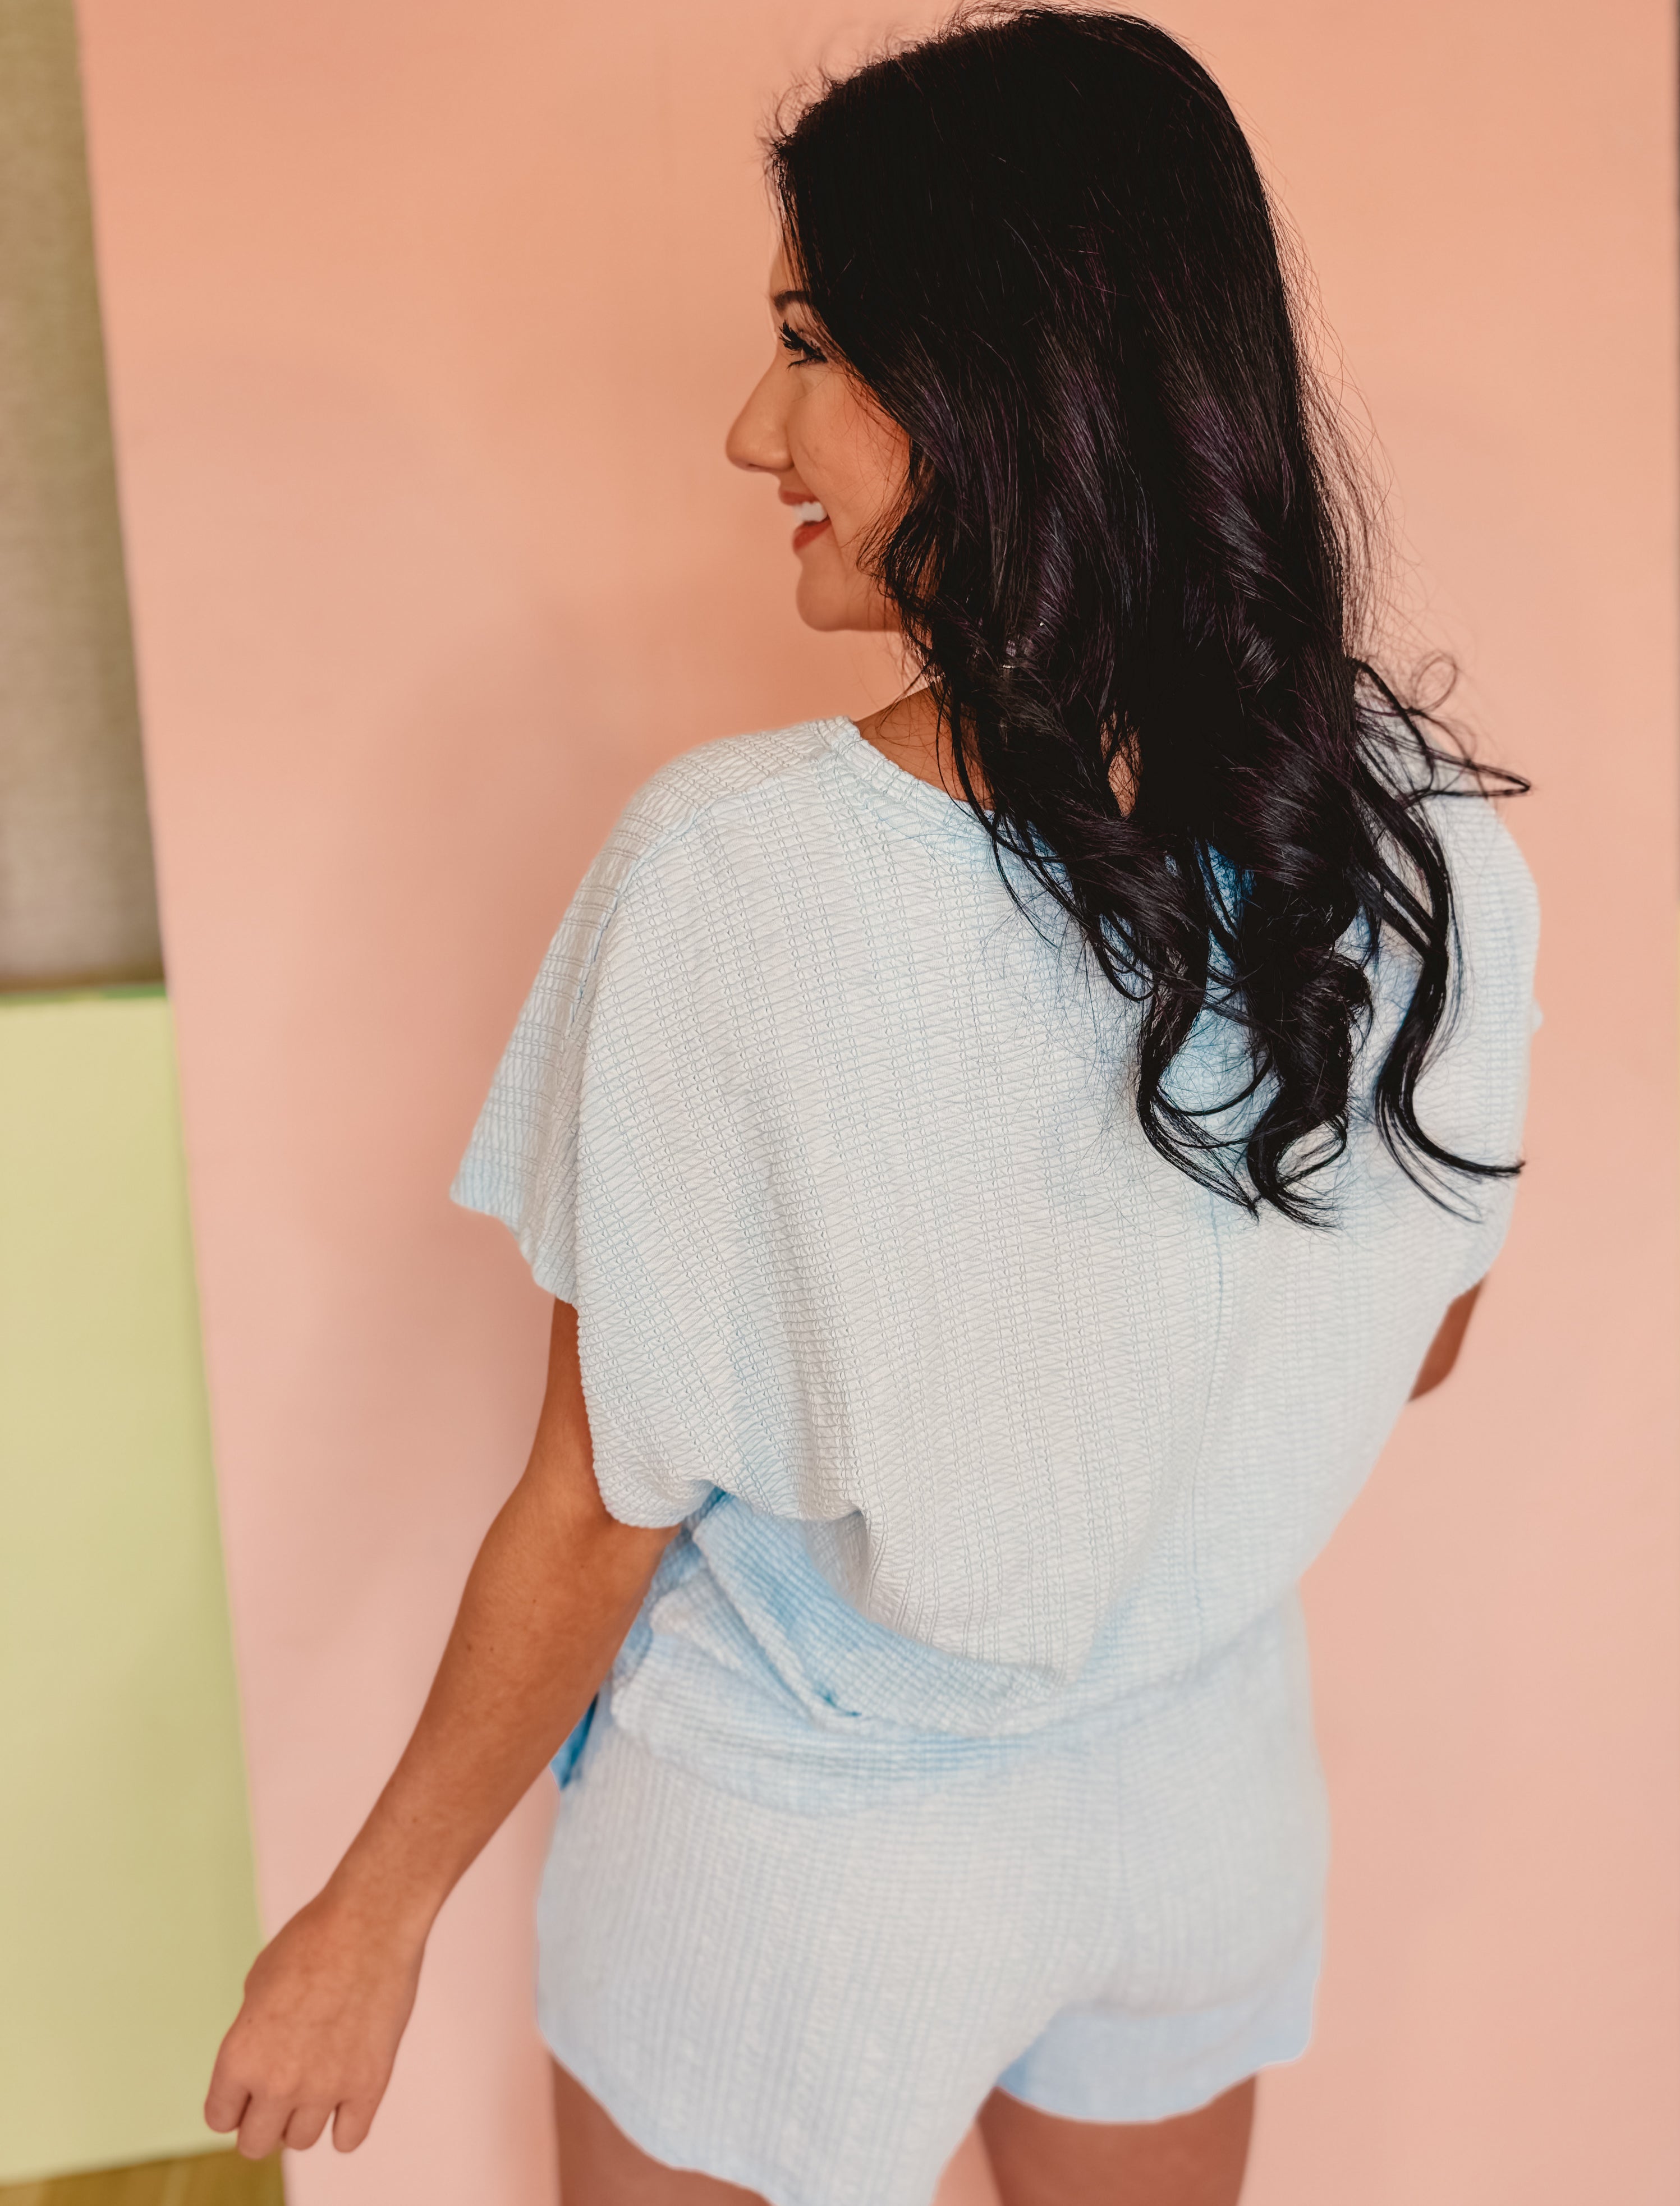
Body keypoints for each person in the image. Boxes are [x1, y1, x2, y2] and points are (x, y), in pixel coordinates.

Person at [203, 8, 1539, 2203]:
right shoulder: (1421, 844)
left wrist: (373, 1911)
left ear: (1003, 381)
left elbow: (599, 1500)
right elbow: (1430, 1326)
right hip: (1198, 1803)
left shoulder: (740, 874)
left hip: (802, 1848)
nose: (755, 428)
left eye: (811, 345)